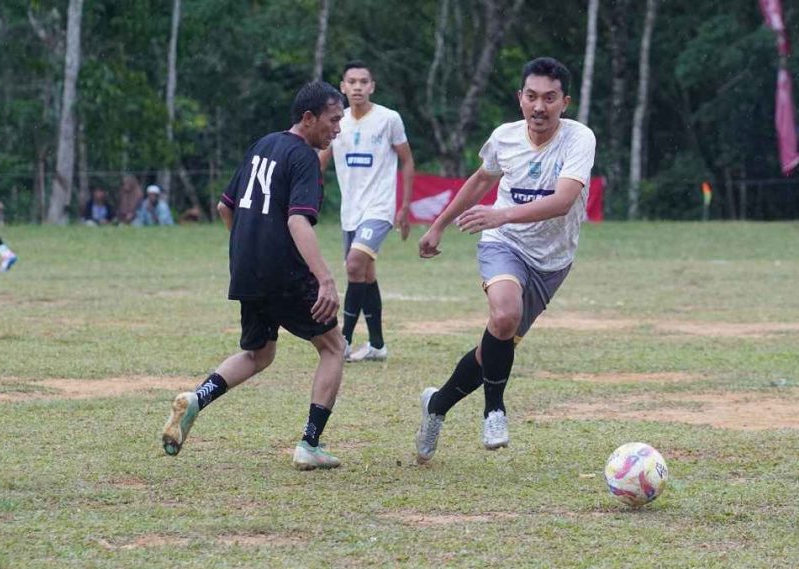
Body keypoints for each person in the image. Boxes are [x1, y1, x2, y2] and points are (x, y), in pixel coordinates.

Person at [415, 57, 596, 463]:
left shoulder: (579, 139)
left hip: (552, 262)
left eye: (549, 98)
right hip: (504, 244)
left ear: (565, 102)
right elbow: (481, 179)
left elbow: (563, 201)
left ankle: (436, 405)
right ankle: (494, 411)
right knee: (504, 314)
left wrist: (502, 213)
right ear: (520, 98)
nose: (539, 107)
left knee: (494, 345)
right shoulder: (504, 137)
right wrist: (439, 225)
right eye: (531, 96)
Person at [161, 81, 347, 470]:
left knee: (258, 353)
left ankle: (196, 399)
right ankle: (310, 444)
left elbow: (224, 207)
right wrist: (326, 279)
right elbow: (297, 220)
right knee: (333, 347)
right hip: (284, 272)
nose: (338, 129)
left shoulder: (263, 145)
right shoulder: (304, 158)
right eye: (332, 120)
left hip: (247, 270)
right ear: (308, 118)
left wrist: (251, 250)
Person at [318, 60, 415, 362]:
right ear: (343, 87)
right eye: (352, 82)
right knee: (365, 273)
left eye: (363, 81)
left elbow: (407, 161)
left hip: (379, 208)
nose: (357, 87)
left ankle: (343, 341)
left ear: (372, 86)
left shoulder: (389, 119)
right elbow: (319, 162)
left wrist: (405, 207)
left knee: (354, 265)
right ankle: (377, 345)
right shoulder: (337, 122)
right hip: (351, 212)